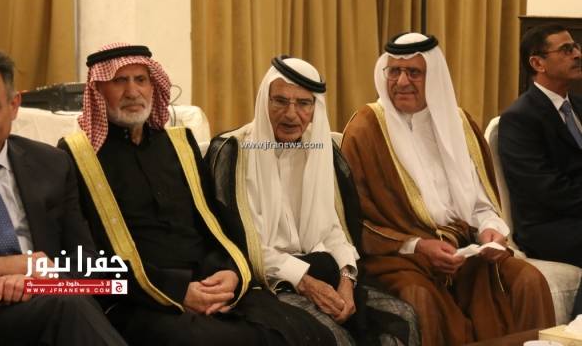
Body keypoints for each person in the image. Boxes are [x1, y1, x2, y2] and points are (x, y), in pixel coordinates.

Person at [59, 43, 336, 346]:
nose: (132, 91)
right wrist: (180, 291)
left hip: (211, 284)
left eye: (141, 80)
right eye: (119, 81)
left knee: (305, 333)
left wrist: (230, 273)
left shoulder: (179, 144)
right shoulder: (77, 156)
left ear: (153, 86)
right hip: (139, 300)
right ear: (98, 90)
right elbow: (87, 258)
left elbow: (216, 223)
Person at [341, 33, 555, 346]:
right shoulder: (366, 127)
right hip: (399, 257)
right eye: (394, 71)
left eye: (414, 72)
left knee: (528, 281)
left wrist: (490, 230)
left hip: (465, 251)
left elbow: (482, 204)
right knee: (420, 297)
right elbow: (356, 218)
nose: (402, 82)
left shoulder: (460, 123)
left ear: (435, 77)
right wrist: (417, 245)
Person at [207, 56, 420, 346]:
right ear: (264, 102)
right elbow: (240, 242)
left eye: (303, 103)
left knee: (403, 318)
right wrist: (304, 282)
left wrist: (347, 280)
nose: (291, 114)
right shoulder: (232, 153)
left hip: (325, 272)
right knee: (332, 336)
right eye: (280, 101)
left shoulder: (321, 150)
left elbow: (333, 229)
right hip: (264, 282)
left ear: (315, 109)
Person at [0, 46, 126, 345]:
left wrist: (46, 277)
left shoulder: (52, 164)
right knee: (68, 305)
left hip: (50, 296)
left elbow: (86, 259)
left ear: (13, 105)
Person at [499, 24, 582, 267]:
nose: (577, 54)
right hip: (549, 227)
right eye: (566, 50)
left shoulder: (578, 105)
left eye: (576, 47)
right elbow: (546, 189)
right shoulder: (519, 118)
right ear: (537, 63)